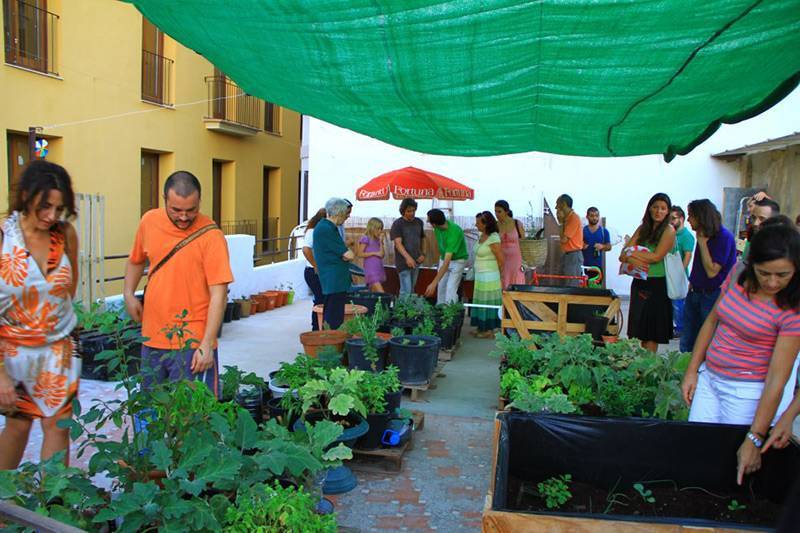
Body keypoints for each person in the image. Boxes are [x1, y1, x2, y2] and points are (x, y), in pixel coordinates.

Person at [680, 219, 800, 485]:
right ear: (751, 264)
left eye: (783, 275)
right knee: (698, 449)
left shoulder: (792, 310)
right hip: (710, 380)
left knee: (730, 463)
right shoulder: (738, 277)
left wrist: (755, 437)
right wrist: (692, 371)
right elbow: (712, 321)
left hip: (745, 392)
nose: (772, 282)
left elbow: (777, 381)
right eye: (764, 272)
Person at [0, 161, 80, 469]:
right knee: (18, 426)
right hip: (11, 352)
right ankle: (5, 509)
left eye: (58, 209)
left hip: (58, 348)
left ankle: (54, 505)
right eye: (44, 206)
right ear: (25, 197)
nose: (51, 216)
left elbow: (66, 291)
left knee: (58, 425)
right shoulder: (4, 239)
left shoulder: (66, 235)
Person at [124, 171, 232, 397]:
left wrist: (207, 344)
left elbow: (219, 296)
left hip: (191, 343)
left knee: (193, 418)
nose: (183, 217)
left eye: (191, 210)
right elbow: (136, 260)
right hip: (152, 336)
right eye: (176, 210)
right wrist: (128, 293)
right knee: (150, 411)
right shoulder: (149, 221)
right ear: (164, 199)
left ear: (199, 202)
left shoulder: (212, 236)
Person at [619, 193, 676, 352]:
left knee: (651, 332)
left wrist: (632, 255)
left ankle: (648, 369)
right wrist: (633, 258)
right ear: (649, 208)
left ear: (667, 212)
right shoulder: (643, 228)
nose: (659, 211)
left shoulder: (669, 230)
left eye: (663, 208)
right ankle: (640, 368)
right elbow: (622, 254)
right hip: (639, 282)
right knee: (639, 330)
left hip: (657, 285)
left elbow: (657, 256)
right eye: (656, 207)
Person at [680, 200, 737, 353]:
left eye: (691, 215)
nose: (688, 220)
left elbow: (712, 271)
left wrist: (703, 244)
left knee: (706, 339)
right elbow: (698, 265)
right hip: (695, 292)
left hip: (712, 295)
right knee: (687, 339)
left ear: (701, 216)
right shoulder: (702, 234)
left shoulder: (723, 237)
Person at [313, 198, 355, 329]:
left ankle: (331, 345)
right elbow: (349, 255)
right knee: (333, 321)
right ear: (339, 212)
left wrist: (343, 255)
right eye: (346, 213)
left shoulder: (328, 227)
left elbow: (344, 254)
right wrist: (344, 255)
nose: (348, 216)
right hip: (334, 281)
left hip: (335, 281)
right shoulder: (327, 229)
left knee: (333, 318)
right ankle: (330, 347)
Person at [471, 212, 504, 338]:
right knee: (480, 299)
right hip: (480, 275)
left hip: (490, 275)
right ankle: (481, 327)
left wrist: (499, 276)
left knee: (488, 300)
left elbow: (501, 259)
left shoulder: (493, 238)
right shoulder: (481, 235)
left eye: (478, 222)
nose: (475, 224)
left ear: (485, 224)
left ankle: (490, 329)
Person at [424, 209, 468, 304]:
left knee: (451, 289)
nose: (428, 223)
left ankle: (451, 314)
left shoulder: (454, 232)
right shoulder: (437, 228)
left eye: (429, 221)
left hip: (458, 261)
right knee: (441, 287)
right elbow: (441, 247)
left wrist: (433, 283)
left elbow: (447, 263)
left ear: (434, 224)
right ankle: (440, 311)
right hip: (444, 259)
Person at [669, 206, 695, 339]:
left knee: (678, 303)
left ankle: (680, 328)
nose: (671, 221)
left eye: (673, 218)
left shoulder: (687, 236)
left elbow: (688, 255)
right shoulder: (669, 234)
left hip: (680, 275)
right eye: (670, 219)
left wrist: (680, 272)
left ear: (682, 218)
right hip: (669, 273)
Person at [391, 199, 425, 295]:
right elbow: (398, 243)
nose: (412, 213)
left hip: (417, 260)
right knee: (406, 290)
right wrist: (408, 258)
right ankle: (402, 309)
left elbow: (422, 239)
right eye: (409, 211)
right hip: (403, 262)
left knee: (411, 289)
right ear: (403, 211)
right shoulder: (397, 224)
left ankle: (408, 309)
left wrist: (423, 253)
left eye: (413, 210)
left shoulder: (419, 222)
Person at [302, 208, 326, 331]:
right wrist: (315, 265)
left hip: (318, 271)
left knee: (321, 299)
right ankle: (316, 328)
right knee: (320, 300)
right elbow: (306, 249)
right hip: (313, 271)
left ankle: (319, 326)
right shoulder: (312, 232)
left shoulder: (319, 232)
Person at [494, 200, 525, 289]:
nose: (497, 214)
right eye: (495, 211)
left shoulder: (517, 223)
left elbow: (524, 242)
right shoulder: (495, 226)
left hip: (516, 261)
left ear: (506, 211)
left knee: (516, 282)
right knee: (503, 282)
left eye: (499, 211)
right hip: (502, 260)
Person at [555, 194, 583, 285]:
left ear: (563, 204)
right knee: (566, 282)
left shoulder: (573, 218)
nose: (556, 208)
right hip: (568, 254)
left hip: (573, 255)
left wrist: (561, 222)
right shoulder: (568, 218)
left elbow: (563, 239)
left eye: (557, 204)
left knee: (571, 284)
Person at [743, 193, 780, 258]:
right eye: (754, 217)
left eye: (762, 218)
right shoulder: (754, 236)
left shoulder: (780, 249)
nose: (756, 223)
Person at [357, 217, 386, 292]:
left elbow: (382, 255)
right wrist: (374, 253)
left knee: (374, 294)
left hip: (378, 269)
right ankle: (387, 303)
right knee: (381, 293)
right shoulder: (366, 238)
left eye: (381, 229)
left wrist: (381, 242)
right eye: (378, 229)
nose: (380, 231)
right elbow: (359, 254)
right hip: (371, 270)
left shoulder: (378, 240)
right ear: (372, 228)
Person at [581, 207, 611, 276]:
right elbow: (576, 245)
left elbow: (609, 247)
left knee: (595, 287)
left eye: (597, 216)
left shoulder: (604, 231)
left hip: (597, 268)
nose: (594, 218)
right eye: (592, 216)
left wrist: (602, 246)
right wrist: (581, 246)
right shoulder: (582, 231)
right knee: (581, 287)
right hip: (583, 267)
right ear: (587, 217)